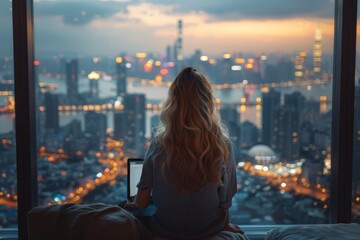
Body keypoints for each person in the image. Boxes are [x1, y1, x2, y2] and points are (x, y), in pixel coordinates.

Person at [125, 67, 245, 239]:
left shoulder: (160, 142)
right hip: (208, 228)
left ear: (173, 100)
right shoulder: (222, 144)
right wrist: (225, 225)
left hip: (166, 228)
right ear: (208, 100)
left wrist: (133, 204)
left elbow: (142, 202)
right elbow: (225, 199)